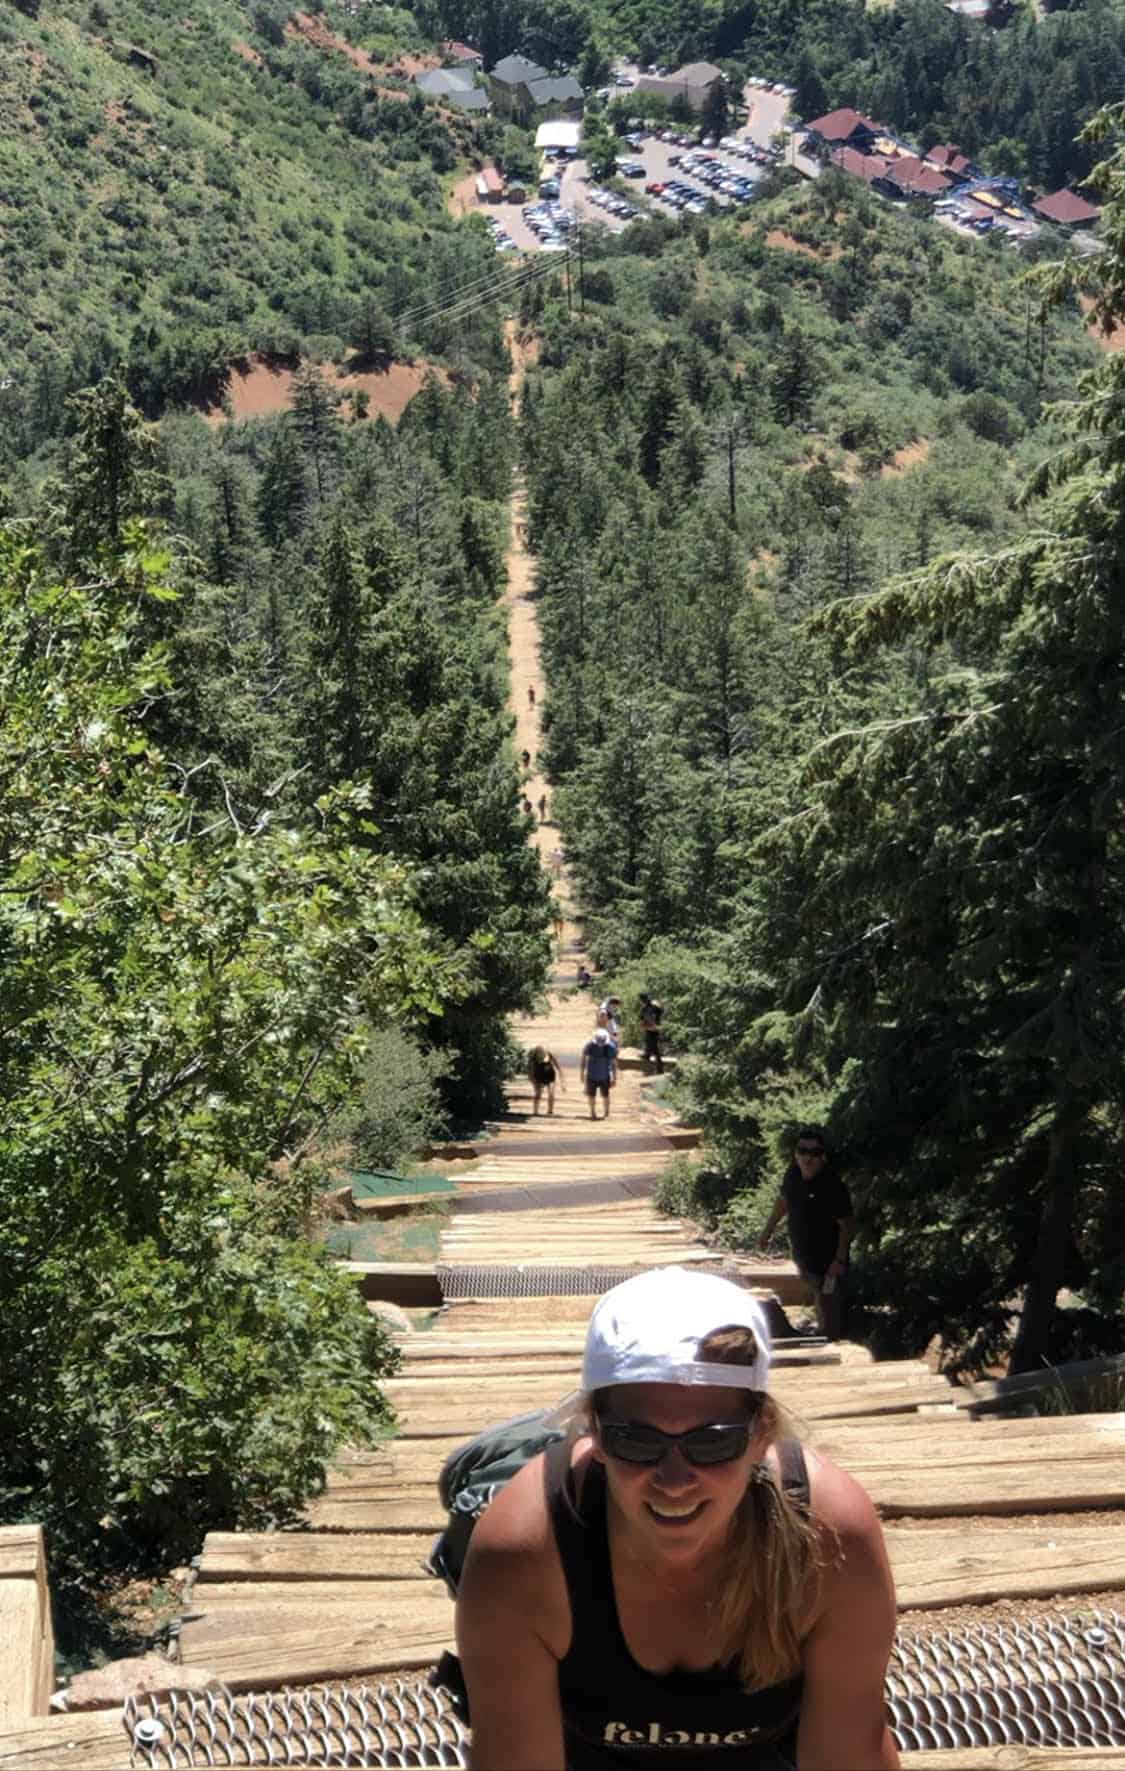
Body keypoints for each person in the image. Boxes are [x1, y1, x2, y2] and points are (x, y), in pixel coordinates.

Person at [456, 1265, 899, 1770]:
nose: (674, 1477)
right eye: (637, 1440)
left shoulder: (828, 1535)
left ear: (761, 1435)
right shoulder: (526, 1551)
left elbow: (848, 1752)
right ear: (594, 1434)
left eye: (712, 1441)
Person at [757, 1130, 854, 1342]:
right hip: (804, 1255)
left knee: (828, 1302)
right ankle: (822, 1332)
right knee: (819, 1295)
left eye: (815, 1152)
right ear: (796, 1154)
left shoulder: (833, 1186)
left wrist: (839, 1259)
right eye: (803, 1151)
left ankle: (832, 1345)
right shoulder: (792, 1174)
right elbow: (783, 1202)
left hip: (829, 1260)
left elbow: (846, 1225)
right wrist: (768, 1230)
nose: (808, 1157)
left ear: (822, 1156)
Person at [580, 1025, 617, 1121]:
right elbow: (583, 1059)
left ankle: (607, 1113)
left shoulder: (610, 1047)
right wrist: (582, 1073)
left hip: (604, 1075)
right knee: (591, 1095)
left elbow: (613, 1063)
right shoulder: (589, 1046)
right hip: (591, 1075)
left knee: (605, 1095)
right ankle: (592, 1112)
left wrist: (614, 1077)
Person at [528, 1044, 564, 1116]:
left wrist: (562, 1081)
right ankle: (535, 1111)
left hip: (550, 1077)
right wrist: (534, 1082)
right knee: (538, 1094)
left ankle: (550, 1111)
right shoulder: (533, 1059)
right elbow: (530, 1072)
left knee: (551, 1093)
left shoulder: (549, 1054)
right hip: (538, 1077)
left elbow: (558, 1067)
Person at [639, 993, 664, 1075]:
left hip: (652, 1027)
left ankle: (660, 1069)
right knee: (649, 1042)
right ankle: (647, 1055)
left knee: (655, 1047)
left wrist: (643, 1025)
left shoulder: (646, 1007)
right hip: (654, 1027)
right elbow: (661, 1012)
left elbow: (642, 1018)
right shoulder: (655, 1005)